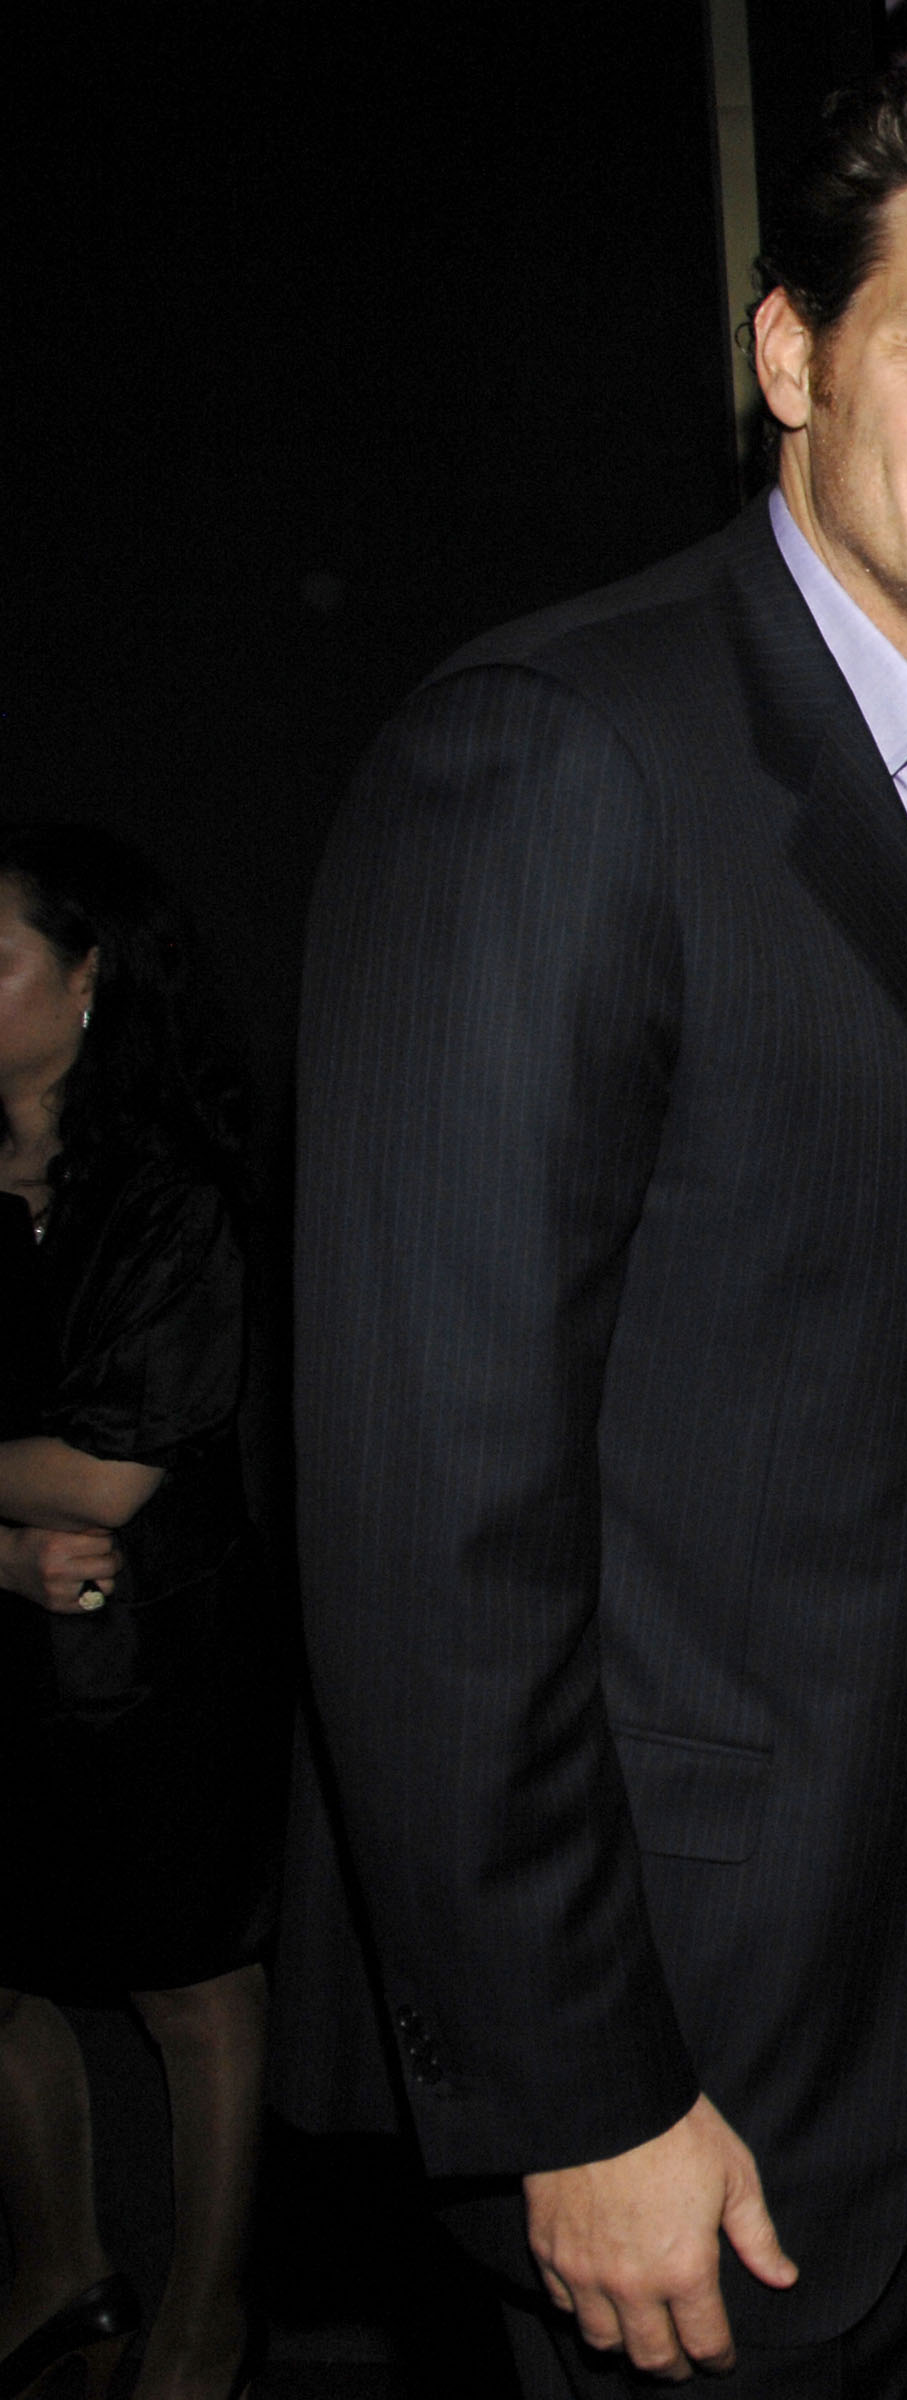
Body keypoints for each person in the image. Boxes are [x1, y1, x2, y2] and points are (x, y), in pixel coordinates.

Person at [271, 77, 907, 2398]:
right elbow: (423, 1519)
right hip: (687, 2046)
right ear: (792, 357)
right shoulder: (556, 754)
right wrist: (571, 2089)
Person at [0, 829, 284, 2400]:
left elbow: (108, 1479)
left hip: (162, 1653)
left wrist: (40, 1514)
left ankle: (207, 2319)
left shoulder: (172, 1187)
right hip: (8, 1637)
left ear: (90, 975)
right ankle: (60, 2266)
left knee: (188, 1978)